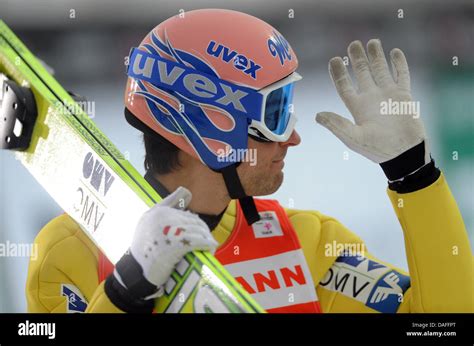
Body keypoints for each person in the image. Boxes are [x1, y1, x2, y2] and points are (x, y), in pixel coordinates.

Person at [26, 9, 472, 313]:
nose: (292, 138)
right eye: (275, 114)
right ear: (208, 125)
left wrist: (414, 175)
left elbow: (441, 324)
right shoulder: (71, 251)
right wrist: (127, 291)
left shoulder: (309, 243)